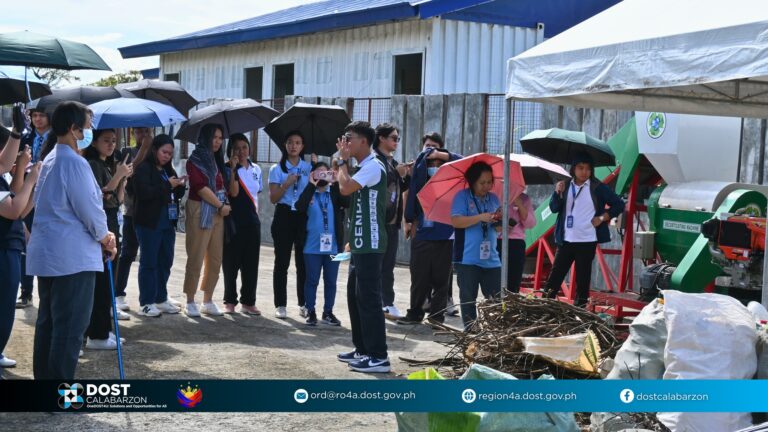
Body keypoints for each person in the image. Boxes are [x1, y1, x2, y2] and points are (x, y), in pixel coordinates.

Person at [27, 101, 117, 380]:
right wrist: (106, 238)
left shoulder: (52, 158)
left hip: (52, 254)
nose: (89, 131)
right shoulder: (74, 163)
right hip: (72, 258)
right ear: (73, 129)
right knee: (69, 327)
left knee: (50, 324)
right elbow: (90, 209)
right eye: (87, 126)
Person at [335, 121, 391, 373]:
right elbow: (357, 205)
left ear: (364, 142)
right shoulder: (363, 167)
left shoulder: (373, 166)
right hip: (359, 241)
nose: (345, 143)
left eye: (350, 138)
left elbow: (345, 188)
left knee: (369, 298)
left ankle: (379, 356)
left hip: (371, 242)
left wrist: (341, 162)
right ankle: (362, 349)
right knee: (354, 295)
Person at [544, 152, 625, 307]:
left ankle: (579, 315)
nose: (584, 172)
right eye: (580, 168)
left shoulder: (598, 187)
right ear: (574, 169)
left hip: (587, 241)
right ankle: (542, 310)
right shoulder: (565, 185)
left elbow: (619, 204)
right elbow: (554, 209)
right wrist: (557, 193)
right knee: (553, 280)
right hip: (566, 240)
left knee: (583, 283)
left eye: (588, 168)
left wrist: (602, 218)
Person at [398, 135, 463, 326]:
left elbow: (463, 161)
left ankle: (437, 316)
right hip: (422, 230)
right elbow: (408, 195)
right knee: (419, 276)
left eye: (434, 148)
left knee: (441, 278)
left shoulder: (451, 169)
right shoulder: (418, 169)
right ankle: (415, 312)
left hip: (445, 231)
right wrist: (407, 220)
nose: (429, 152)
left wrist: (443, 156)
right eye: (426, 147)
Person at [83, 129, 134, 349]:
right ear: (94, 142)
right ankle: (97, 333)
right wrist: (117, 176)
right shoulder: (92, 165)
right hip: (102, 221)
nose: (111, 145)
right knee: (102, 281)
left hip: (113, 219)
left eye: (114, 141)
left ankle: (104, 330)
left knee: (109, 280)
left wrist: (123, 177)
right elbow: (100, 195)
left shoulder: (107, 164)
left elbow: (118, 198)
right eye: (106, 141)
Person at [0, 113, 39, 372]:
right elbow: (13, 210)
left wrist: (31, 177)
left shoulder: (4, 175)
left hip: (10, 247)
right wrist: (33, 178)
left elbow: (20, 206)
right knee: (2, 308)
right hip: (2, 249)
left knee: (5, 308)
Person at [132, 135, 186, 317]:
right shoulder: (143, 169)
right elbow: (144, 193)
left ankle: (161, 298)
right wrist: (166, 185)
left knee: (166, 261)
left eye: (170, 153)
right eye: (164, 152)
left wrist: (179, 186)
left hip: (167, 223)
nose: (167, 156)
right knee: (149, 262)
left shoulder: (167, 169)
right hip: (149, 223)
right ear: (154, 150)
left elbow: (173, 194)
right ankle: (146, 302)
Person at [183, 123, 230, 317]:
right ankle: (190, 300)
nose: (218, 141)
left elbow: (222, 185)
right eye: (214, 137)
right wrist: (220, 206)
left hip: (219, 211)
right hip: (200, 209)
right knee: (196, 256)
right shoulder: (195, 160)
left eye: (220, 138)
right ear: (205, 138)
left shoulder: (217, 159)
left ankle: (208, 299)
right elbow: (200, 187)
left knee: (216, 258)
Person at [450, 161, 502, 331]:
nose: (486, 186)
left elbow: (498, 228)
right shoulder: (462, 197)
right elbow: (456, 221)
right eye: (482, 183)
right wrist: (479, 217)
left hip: (492, 259)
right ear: (472, 181)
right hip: (467, 258)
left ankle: (495, 332)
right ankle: (471, 332)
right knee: (468, 298)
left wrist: (500, 223)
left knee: (496, 300)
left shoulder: (494, 198)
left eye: (489, 182)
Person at [295, 162, 348, 326]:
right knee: (311, 280)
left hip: (333, 247)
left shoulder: (334, 193)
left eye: (326, 173)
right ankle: (310, 311)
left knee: (331, 281)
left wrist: (338, 180)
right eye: (319, 173)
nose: (322, 176)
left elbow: (347, 202)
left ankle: (328, 312)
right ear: (312, 175)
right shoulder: (309, 193)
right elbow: (299, 206)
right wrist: (311, 185)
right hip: (311, 247)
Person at [114, 127, 159, 312]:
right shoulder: (127, 152)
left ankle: (157, 294)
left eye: (146, 132)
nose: (143, 136)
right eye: (139, 132)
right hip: (132, 211)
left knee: (154, 256)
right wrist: (143, 150)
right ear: (133, 134)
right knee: (127, 254)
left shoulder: (157, 152)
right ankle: (118, 293)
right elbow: (129, 172)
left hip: (153, 213)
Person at [268, 132, 311, 319]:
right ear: (285, 145)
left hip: (302, 216)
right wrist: (286, 184)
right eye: (290, 142)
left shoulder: (309, 167)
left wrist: (316, 168)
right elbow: (273, 198)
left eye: (298, 143)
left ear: (302, 147)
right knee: (282, 262)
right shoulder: (276, 169)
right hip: (284, 215)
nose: (293, 146)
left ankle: (304, 303)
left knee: (303, 263)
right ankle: (281, 304)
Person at [222, 133, 263, 315]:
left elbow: (257, 194)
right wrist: (232, 170)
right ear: (230, 150)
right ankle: (229, 301)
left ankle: (248, 301)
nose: (241, 151)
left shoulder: (257, 169)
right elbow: (234, 193)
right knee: (231, 263)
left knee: (251, 264)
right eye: (236, 148)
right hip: (233, 222)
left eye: (244, 147)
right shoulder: (226, 168)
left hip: (252, 222)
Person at [372, 123, 410, 319]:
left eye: (398, 138)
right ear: (382, 139)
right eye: (394, 138)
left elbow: (400, 188)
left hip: (392, 223)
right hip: (378, 222)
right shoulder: (375, 161)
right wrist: (397, 173)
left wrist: (407, 174)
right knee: (376, 266)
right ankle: (379, 302)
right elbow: (379, 185)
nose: (396, 141)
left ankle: (387, 302)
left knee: (388, 266)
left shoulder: (391, 162)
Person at [16, 108, 49, 308]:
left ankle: (46, 291)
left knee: (45, 242)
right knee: (24, 242)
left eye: (41, 115)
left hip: (47, 196)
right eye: (34, 116)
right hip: (27, 193)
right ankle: (26, 292)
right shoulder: (24, 138)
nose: (37, 119)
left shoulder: (56, 139)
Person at [497, 192, 537, 293]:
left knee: (513, 281)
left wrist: (519, 204)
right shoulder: (494, 196)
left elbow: (531, 224)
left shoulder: (523, 197)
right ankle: (496, 305)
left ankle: (509, 305)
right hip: (497, 241)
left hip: (516, 243)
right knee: (495, 280)